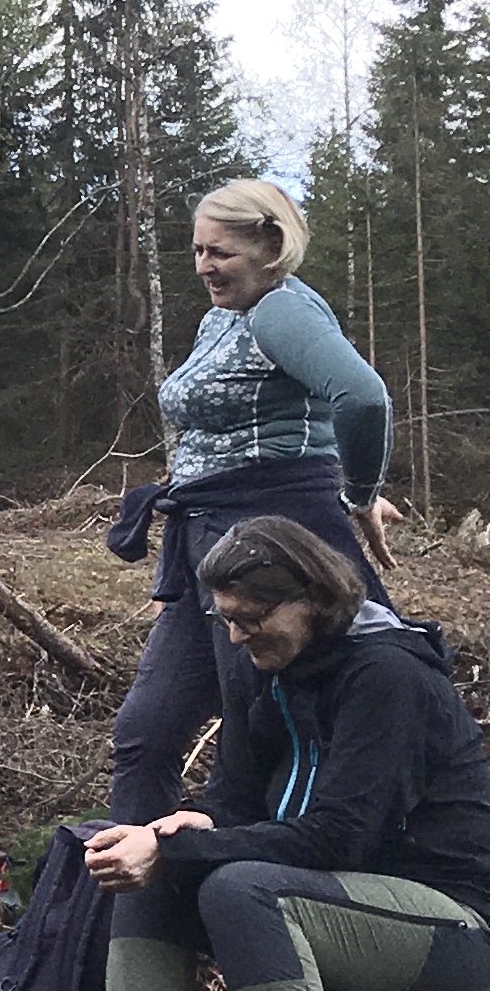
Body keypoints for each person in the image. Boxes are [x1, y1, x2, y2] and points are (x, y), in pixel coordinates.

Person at [25, 517, 490, 991]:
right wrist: (190, 826)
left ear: (315, 599)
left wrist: (185, 851)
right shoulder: (260, 668)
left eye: (254, 616)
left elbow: (339, 836)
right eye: (227, 619)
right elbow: (235, 801)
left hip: (450, 924)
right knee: (158, 866)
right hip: (332, 895)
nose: (238, 636)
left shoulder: (388, 675)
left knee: (236, 888)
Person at [105, 180, 400, 829]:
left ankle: (251, 870)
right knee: (146, 731)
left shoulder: (280, 310)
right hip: (208, 543)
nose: (204, 265)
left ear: (270, 245)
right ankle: (131, 881)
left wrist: (358, 495)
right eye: (198, 250)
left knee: (259, 732)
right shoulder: (223, 316)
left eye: (220, 252)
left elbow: (362, 397)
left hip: (265, 544)